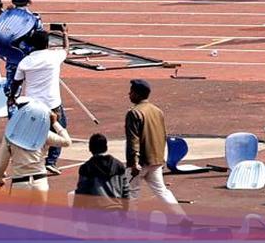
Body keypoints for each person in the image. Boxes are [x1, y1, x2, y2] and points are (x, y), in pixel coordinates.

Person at [125, 78, 187, 220]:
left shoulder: (134, 113)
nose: (129, 94)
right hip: (156, 159)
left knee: (131, 193)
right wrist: (161, 158)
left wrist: (134, 162)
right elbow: (162, 135)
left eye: (131, 92)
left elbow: (133, 140)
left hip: (141, 161)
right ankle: (182, 217)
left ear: (137, 94)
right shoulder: (157, 111)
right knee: (162, 191)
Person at [9, 28, 68, 175]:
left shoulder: (25, 62)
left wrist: (12, 98)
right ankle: (51, 161)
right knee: (60, 129)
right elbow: (66, 49)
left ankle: (30, 160)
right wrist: (65, 34)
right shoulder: (54, 56)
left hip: (32, 105)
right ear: (47, 44)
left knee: (31, 133)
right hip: (52, 104)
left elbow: (16, 83)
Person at [0, 101, 72, 202]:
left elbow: (1, 163)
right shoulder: (43, 133)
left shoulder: (10, 136)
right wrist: (55, 123)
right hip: (40, 181)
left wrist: (0, 179)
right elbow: (67, 142)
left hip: (20, 182)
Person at [74, 133, 130, 213]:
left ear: (90, 148)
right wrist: (125, 211)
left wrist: (75, 213)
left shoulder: (87, 168)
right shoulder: (119, 165)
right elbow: (125, 191)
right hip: (116, 209)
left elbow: (81, 192)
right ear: (106, 147)